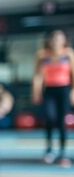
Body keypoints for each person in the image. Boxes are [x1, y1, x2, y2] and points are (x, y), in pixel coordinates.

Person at [32, 29, 74, 168]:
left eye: (59, 38)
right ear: (49, 41)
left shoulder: (68, 54)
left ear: (63, 40)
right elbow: (38, 75)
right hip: (49, 89)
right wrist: (36, 91)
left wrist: (73, 91)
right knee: (49, 118)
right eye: (53, 38)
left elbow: (73, 74)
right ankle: (49, 150)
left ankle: (62, 153)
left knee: (62, 121)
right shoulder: (42, 55)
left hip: (64, 89)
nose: (56, 40)